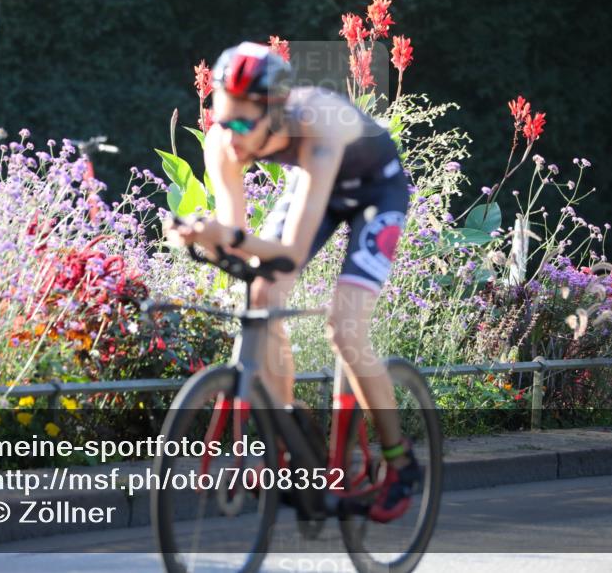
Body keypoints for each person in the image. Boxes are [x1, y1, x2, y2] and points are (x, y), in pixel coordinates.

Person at [165, 41, 420, 522]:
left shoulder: (316, 126)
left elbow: (289, 254)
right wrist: (199, 235)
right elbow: (235, 236)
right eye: (223, 119)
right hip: (313, 185)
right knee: (262, 296)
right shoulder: (224, 140)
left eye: (243, 123)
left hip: (374, 191)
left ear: (277, 112)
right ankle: (288, 436)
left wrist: (230, 236)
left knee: (345, 329)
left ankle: (399, 459)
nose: (231, 136)